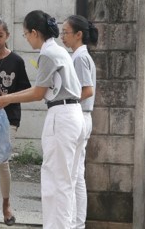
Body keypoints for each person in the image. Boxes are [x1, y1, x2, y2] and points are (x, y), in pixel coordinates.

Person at [0, 10, 86, 229]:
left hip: (61, 116)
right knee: (67, 180)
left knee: (55, 180)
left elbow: (37, 92)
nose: (26, 38)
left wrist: (5, 99)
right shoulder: (59, 50)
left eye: (26, 34)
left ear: (34, 32)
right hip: (73, 115)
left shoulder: (48, 54)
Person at [0, 18, 31, 229]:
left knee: (3, 161)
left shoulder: (17, 61)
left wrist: (6, 99)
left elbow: (25, 90)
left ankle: (7, 205)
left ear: (7, 36)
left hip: (9, 118)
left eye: (0, 36)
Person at [61, 15, 98, 229]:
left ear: (78, 34)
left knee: (73, 176)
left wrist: (65, 97)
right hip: (83, 116)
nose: (63, 37)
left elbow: (87, 89)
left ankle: (74, 223)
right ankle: (76, 223)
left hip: (80, 115)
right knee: (76, 176)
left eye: (66, 32)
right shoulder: (78, 56)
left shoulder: (80, 58)